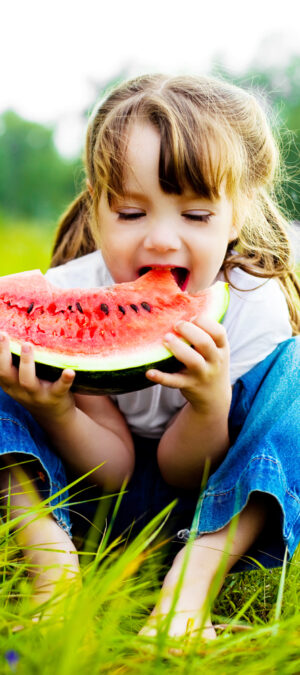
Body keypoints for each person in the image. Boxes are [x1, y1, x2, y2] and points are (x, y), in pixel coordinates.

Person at [0, 74, 299, 640]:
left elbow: (183, 472)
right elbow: (113, 472)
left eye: (196, 216)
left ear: (236, 216)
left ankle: (189, 592)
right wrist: (54, 410)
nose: (161, 240)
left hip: (215, 511)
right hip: (87, 505)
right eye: (132, 214)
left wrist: (209, 405)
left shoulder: (254, 310)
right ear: (97, 210)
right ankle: (51, 570)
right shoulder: (74, 294)